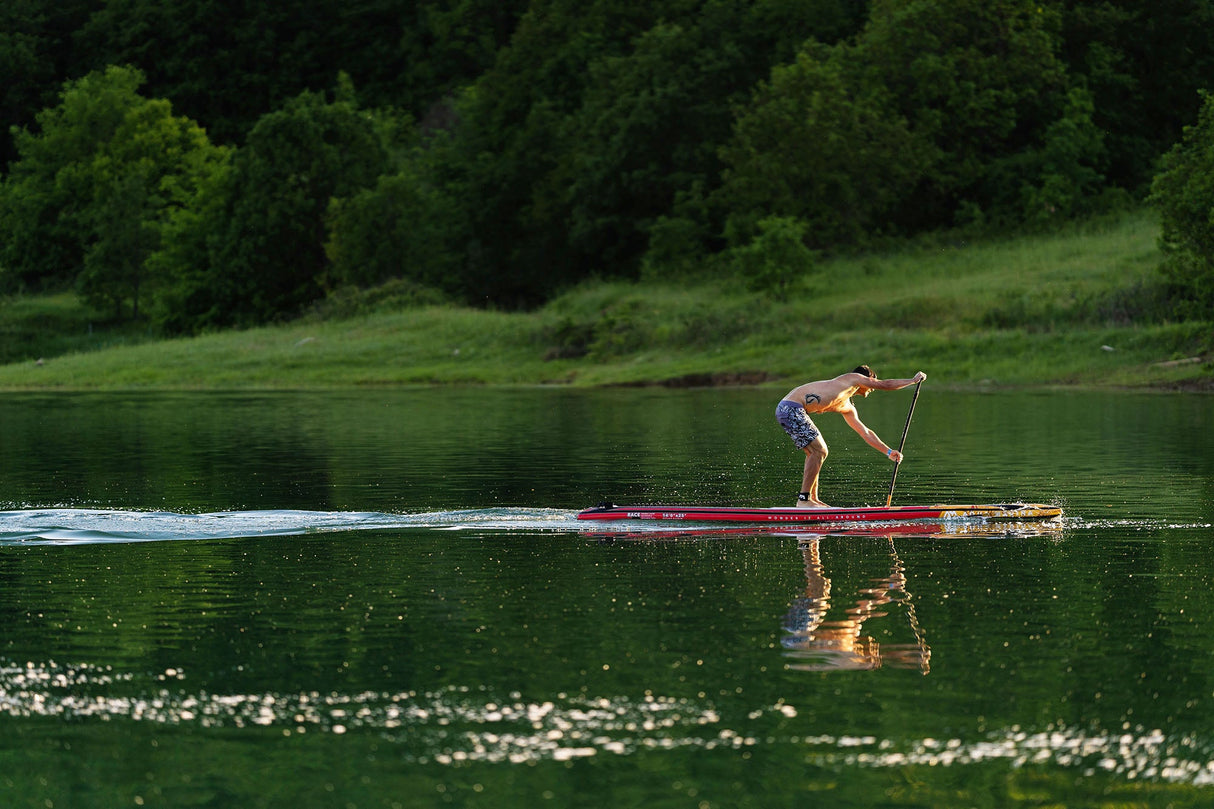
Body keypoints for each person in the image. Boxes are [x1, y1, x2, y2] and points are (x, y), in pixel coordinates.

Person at [775, 366, 926, 508]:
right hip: (791, 408)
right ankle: (804, 500)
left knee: (815, 453)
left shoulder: (846, 406)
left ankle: (812, 499)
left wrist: (888, 452)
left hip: (792, 411)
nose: (873, 388)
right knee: (820, 451)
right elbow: (885, 384)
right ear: (865, 379)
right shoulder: (853, 378)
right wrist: (912, 381)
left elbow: (865, 432)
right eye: (871, 382)